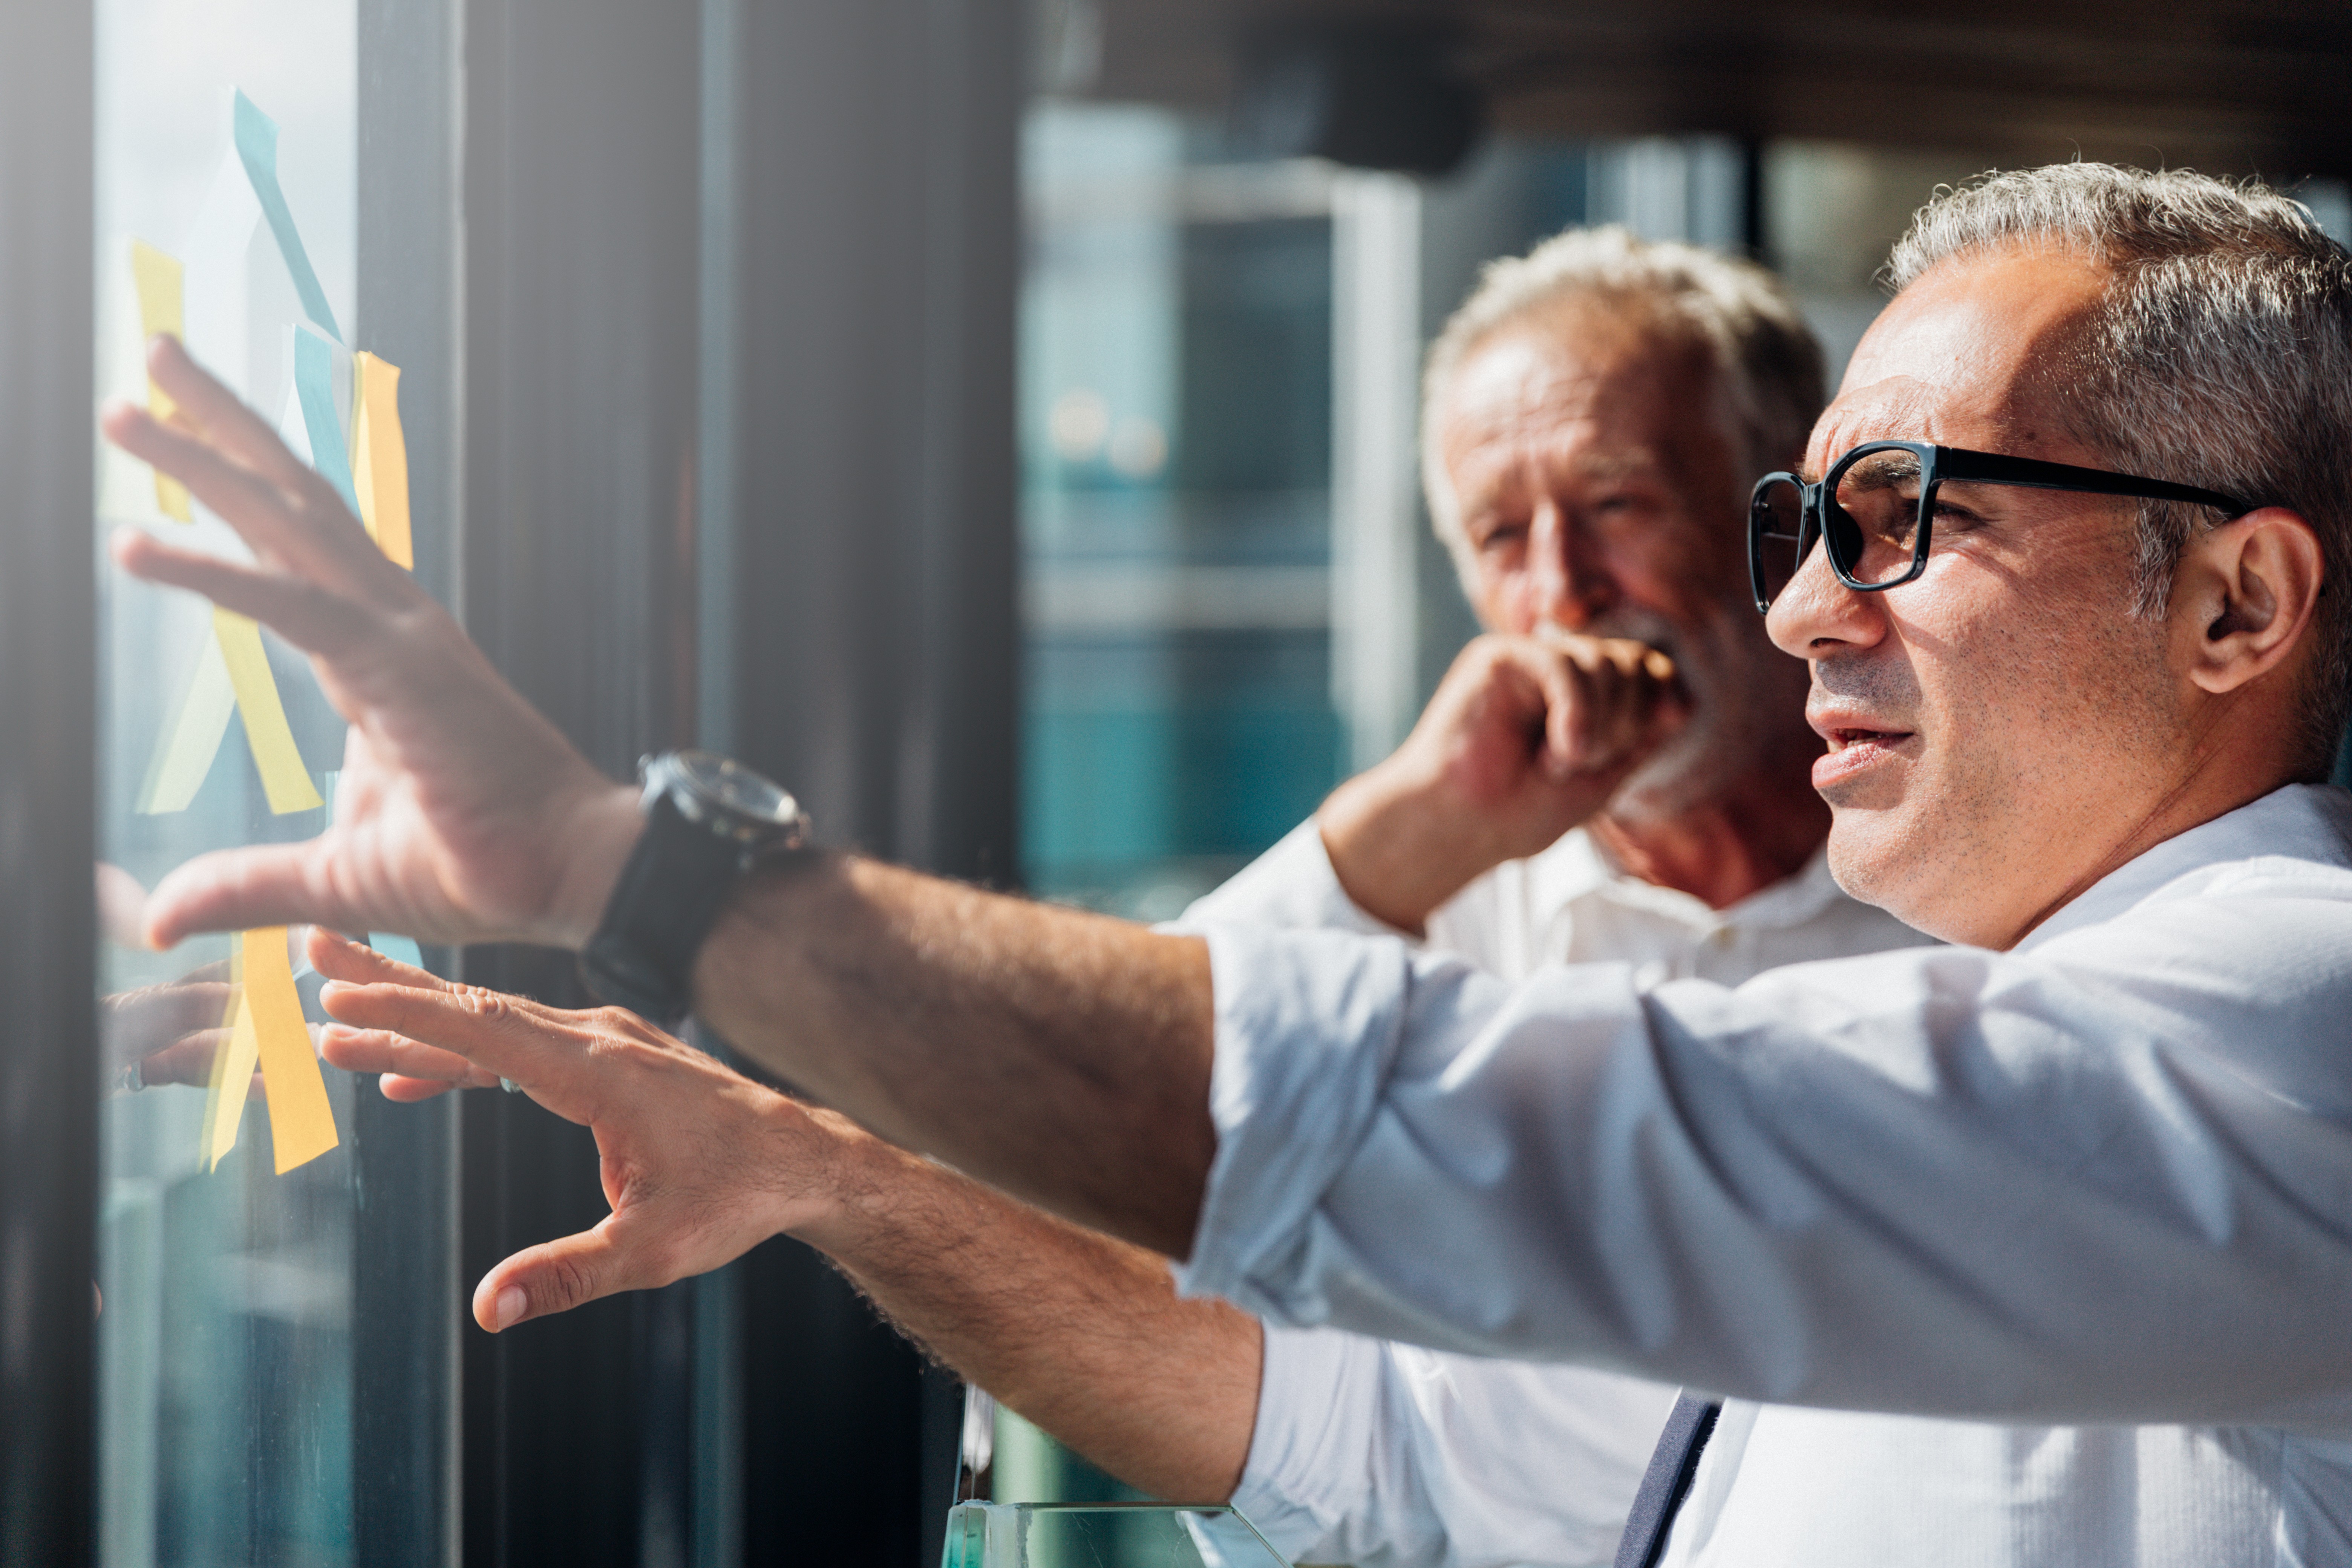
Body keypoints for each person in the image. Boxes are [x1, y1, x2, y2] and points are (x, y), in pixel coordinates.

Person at [106, 164, 2352, 1564]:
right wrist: (819, 1161)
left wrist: (648, 876)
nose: (1795, 615)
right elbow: (1359, 1426)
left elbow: (1466, 1138)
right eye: (1803, 530)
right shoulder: (2026, 1038)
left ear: (2239, 606)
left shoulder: (2301, 1020)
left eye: (1905, 521)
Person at [310, 230, 1933, 1568]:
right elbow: (1098, 1154)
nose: (1560, 589)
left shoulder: (1977, 884)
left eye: (1621, 505)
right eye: (1502, 534)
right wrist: (1406, 839)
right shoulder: (1407, 901)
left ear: (1779, 513)